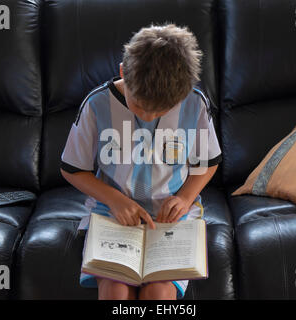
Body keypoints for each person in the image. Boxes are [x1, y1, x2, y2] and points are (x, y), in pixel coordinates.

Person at [60, 22, 222, 300]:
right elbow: (73, 169)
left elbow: (207, 164)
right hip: (112, 213)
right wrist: (115, 199)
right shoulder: (96, 105)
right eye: (139, 106)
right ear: (123, 72)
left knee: (158, 293)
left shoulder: (195, 104)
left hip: (173, 218)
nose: (147, 117)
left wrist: (184, 198)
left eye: (160, 110)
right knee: (115, 291)